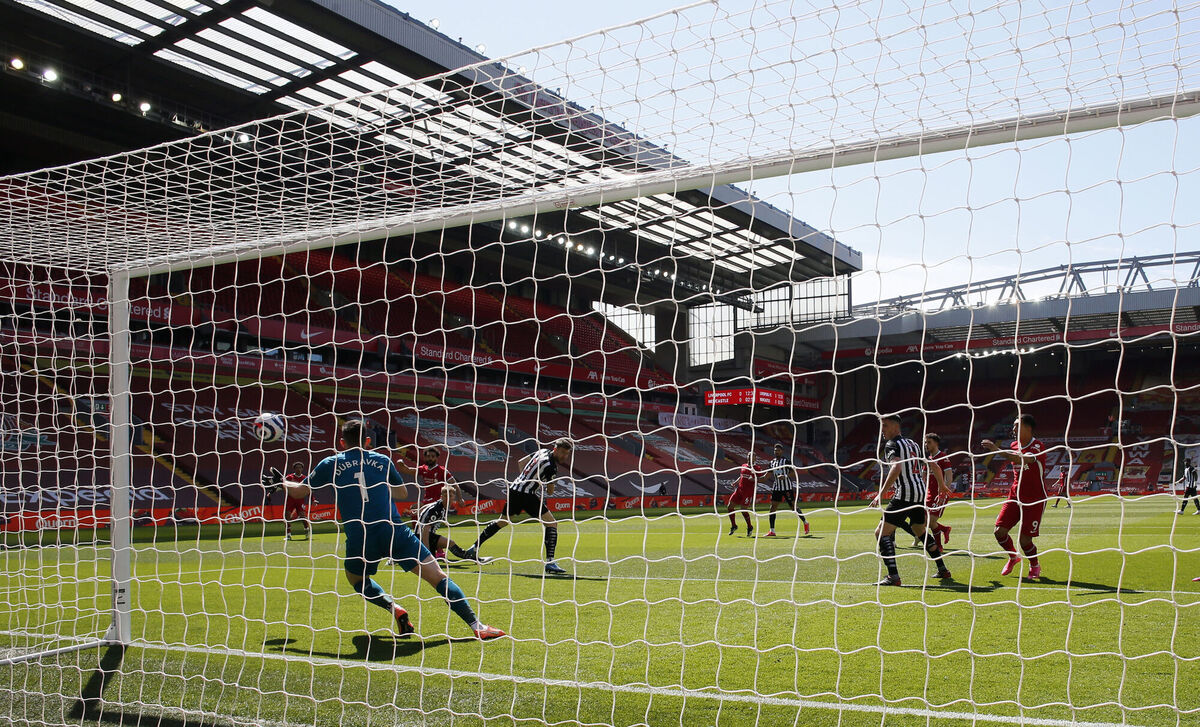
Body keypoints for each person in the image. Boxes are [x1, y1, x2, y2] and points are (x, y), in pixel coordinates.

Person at [269, 419, 504, 640]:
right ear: (368, 441)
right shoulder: (382, 460)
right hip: (393, 530)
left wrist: (281, 483)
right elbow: (402, 493)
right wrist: (377, 489)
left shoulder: (331, 463)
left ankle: (394, 607)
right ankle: (478, 627)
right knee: (437, 577)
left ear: (342, 442)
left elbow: (299, 491)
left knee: (357, 580)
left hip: (360, 535)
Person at [462, 438, 573, 575]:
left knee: (502, 521)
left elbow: (521, 462)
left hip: (515, 488)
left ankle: (473, 548)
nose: (564, 456)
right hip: (526, 494)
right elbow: (550, 491)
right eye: (562, 452)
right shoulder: (551, 466)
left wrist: (526, 480)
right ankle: (550, 562)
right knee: (551, 523)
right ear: (555, 449)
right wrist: (539, 483)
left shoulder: (542, 451)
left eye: (566, 454)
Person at [870, 415, 952, 586]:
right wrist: (942, 485)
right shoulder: (914, 444)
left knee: (881, 533)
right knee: (919, 530)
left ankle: (893, 576)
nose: (882, 430)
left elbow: (896, 467)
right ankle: (943, 569)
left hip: (905, 493)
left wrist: (881, 493)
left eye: (884, 426)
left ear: (894, 427)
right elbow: (934, 466)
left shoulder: (892, 445)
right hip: (920, 493)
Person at [982, 413, 1048, 579]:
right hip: (1014, 495)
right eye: (1013, 425)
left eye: (1017, 425)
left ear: (1028, 428)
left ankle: (1035, 565)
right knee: (999, 532)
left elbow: (1024, 460)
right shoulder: (1013, 445)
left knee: (1025, 541)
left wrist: (997, 450)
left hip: (1035, 498)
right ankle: (1013, 557)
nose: (1013, 429)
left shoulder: (1038, 446)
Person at [393, 446, 482, 562]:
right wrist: (401, 465)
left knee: (428, 526)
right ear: (425, 457)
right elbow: (408, 470)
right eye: (428, 456)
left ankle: (432, 550)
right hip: (427, 501)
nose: (430, 458)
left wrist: (460, 498)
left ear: (436, 458)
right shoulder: (423, 469)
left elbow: (454, 484)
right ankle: (427, 549)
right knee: (418, 520)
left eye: (433, 456)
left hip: (439, 502)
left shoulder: (442, 471)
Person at [765, 443, 810, 537]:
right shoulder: (772, 463)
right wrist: (755, 478)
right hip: (777, 487)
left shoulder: (786, 461)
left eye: (778, 450)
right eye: (775, 450)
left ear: (782, 451)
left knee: (793, 507)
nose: (776, 452)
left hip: (787, 487)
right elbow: (766, 476)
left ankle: (805, 522)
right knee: (773, 507)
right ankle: (772, 531)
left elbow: (794, 473)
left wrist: (785, 476)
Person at [923, 434, 953, 547]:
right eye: (925, 442)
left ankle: (938, 546)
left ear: (936, 443)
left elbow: (949, 476)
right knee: (925, 522)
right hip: (929, 494)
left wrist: (943, 493)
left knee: (931, 522)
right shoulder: (928, 459)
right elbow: (924, 477)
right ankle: (945, 529)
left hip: (940, 493)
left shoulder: (943, 457)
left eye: (929, 442)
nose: (926, 445)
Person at [725, 452, 764, 537]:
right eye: (749, 455)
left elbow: (761, 478)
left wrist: (753, 478)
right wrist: (735, 482)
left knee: (743, 509)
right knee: (730, 507)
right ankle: (734, 526)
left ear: (755, 458)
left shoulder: (757, 468)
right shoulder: (743, 465)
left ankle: (750, 527)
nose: (749, 457)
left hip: (748, 492)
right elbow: (742, 476)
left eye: (752, 456)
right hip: (739, 490)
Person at [282, 462, 311, 540]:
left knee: (302, 517)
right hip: (290, 500)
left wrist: (313, 500)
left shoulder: (305, 478)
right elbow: (282, 486)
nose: (298, 469)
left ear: (302, 469)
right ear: (294, 469)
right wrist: (270, 493)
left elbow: (308, 490)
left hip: (300, 500)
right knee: (287, 516)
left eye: (300, 467)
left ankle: (307, 530)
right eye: (297, 467)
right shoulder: (289, 477)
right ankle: (288, 535)